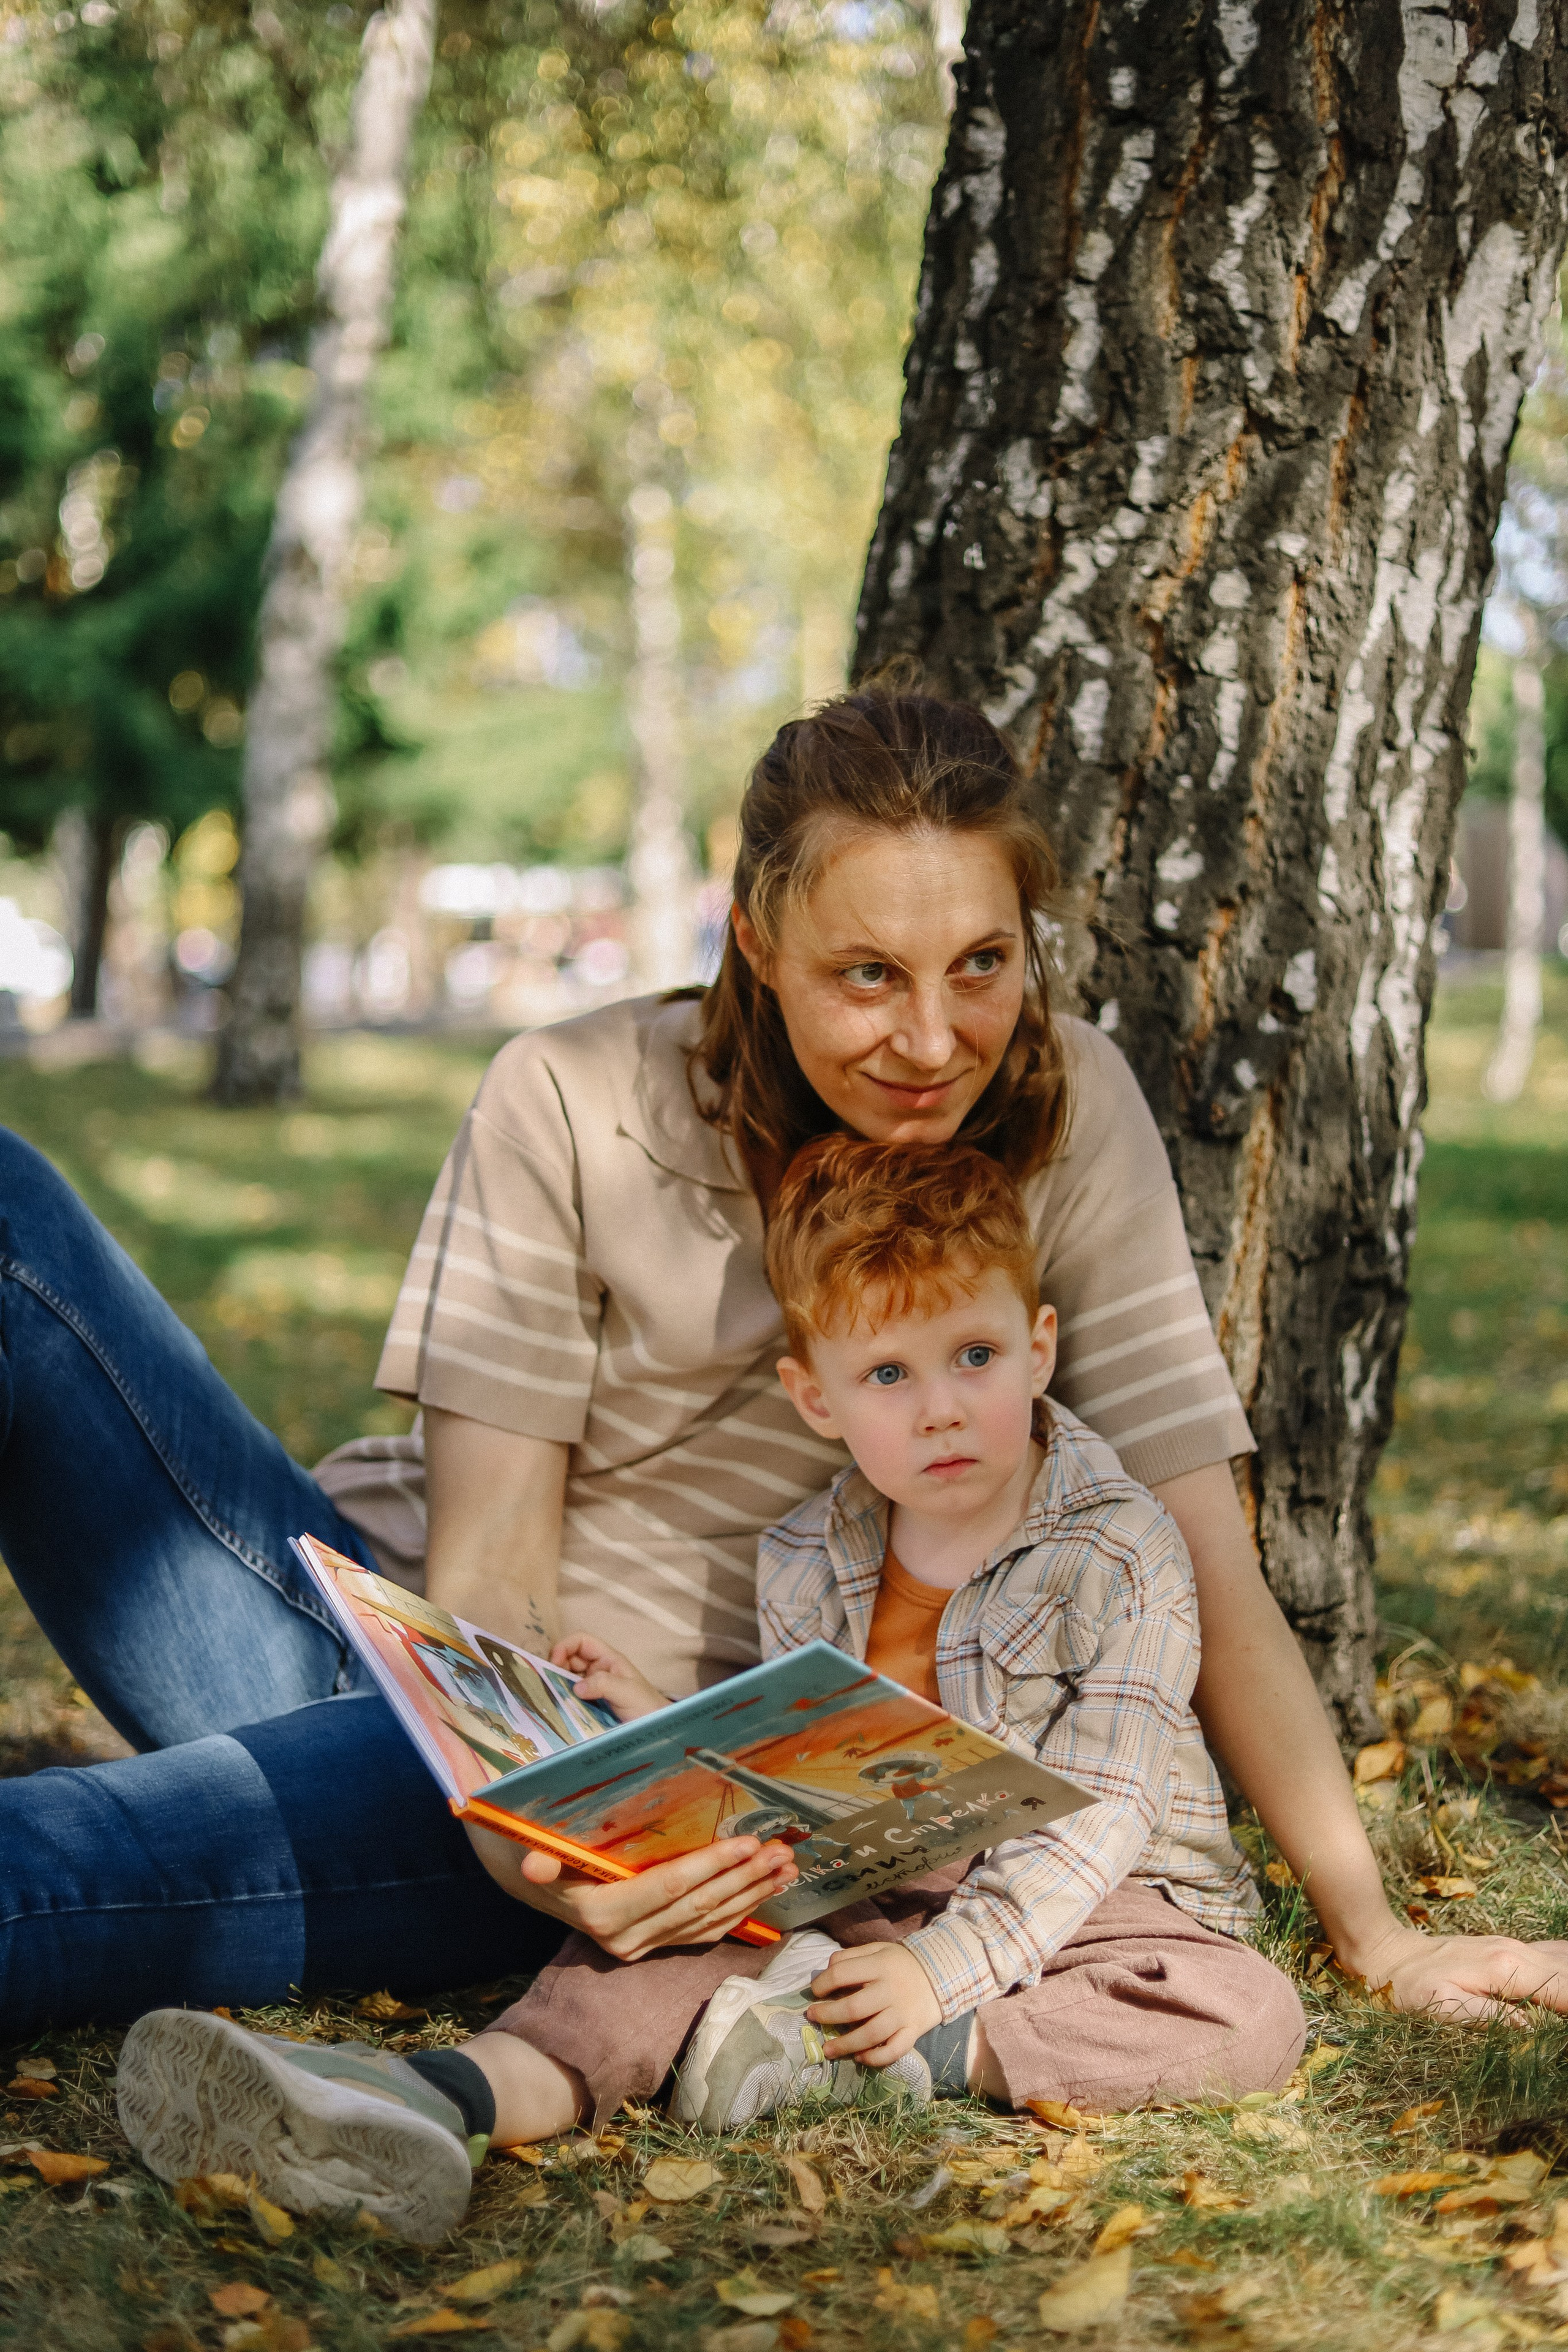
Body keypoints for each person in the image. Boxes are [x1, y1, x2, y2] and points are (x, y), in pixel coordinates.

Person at [0, 687, 1561, 2034]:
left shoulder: (1070, 1112)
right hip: (477, 1711)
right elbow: (487, 1563)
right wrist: (534, 1839)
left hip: (673, 1799)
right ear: (754, 941)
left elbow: (1202, 1551)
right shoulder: (569, 1092)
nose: (936, 1040)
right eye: (865, 974)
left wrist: (1374, 1931)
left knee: (67, 1863)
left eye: (980, 964)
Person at [114, 1138, 1305, 2242]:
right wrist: (650, 1725)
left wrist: (941, 1977)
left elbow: (1102, 1805)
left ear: (1038, 1346)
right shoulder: (803, 1551)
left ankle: (892, 2054)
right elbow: (800, 1772)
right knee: (670, 1938)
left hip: (1097, 1893)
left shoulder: (1119, 1546)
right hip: (860, 1885)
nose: (940, 1405)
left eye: (975, 1357)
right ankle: (433, 2100)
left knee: (1244, 2012)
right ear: (813, 1398)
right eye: (886, 1372)